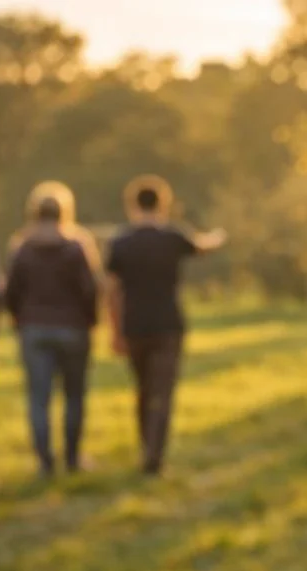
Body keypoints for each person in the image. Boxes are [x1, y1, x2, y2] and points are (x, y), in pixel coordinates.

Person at [105, 175, 225, 476]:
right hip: (168, 325)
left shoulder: (121, 242)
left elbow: (110, 290)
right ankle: (155, 455)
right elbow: (203, 246)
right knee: (163, 392)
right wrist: (219, 235)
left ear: (132, 205)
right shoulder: (173, 237)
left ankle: (146, 446)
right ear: (164, 204)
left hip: (135, 325)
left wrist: (115, 331)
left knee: (143, 391)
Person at [5, 186, 99, 476]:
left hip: (34, 329)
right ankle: (72, 458)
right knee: (74, 396)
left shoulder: (22, 247)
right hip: (72, 328)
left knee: (38, 398)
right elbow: (90, 290)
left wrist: (18, 320)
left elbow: (11, 292)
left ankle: (45, 461)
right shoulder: (76, 246)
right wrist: (91, 321)